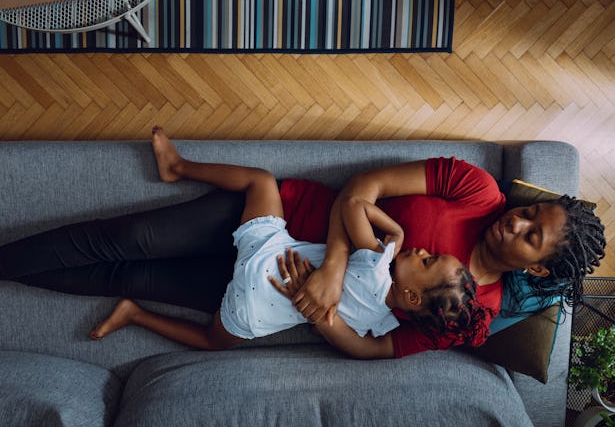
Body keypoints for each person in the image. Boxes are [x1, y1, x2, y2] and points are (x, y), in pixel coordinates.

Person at [0, 128, 606, 357]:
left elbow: (373, 350)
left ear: (538, 263)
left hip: (270, 289)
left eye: (530, 235)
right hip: (279, 218)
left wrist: (318, 311)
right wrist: (327, 268)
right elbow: (362, 190)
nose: (513, 221)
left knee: (124, 272)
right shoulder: (475, 188)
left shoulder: (461, 311)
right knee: (127, 234)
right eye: (527, 215)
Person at [87, 128, 482, 358]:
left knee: (260, 181)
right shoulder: (377, 323)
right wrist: (318, 316)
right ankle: (135, 315)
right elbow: (349, 341)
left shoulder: (377, 263)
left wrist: (394, 234)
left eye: (428, 261)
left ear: (413, 297)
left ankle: (178, 168)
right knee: (212, 341)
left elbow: (355, 205)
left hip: (265, 253)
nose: (421, 249)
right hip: (254, 309)